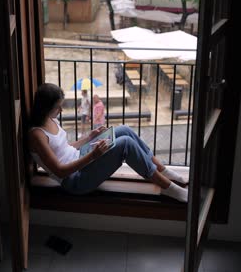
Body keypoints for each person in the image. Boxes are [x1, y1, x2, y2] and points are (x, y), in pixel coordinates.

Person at [29, 83, 188, 202]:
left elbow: (65, 148)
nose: (61, 111)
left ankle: (162, 170)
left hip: (80, 158)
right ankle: (167, 187)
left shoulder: (51, 119)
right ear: (45, 108)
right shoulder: (37, 135)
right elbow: (60, 171)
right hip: (75, 180)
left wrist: (89, 137)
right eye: (58, 107)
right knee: (125, 144)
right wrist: (93, 155)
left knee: (124, 130)